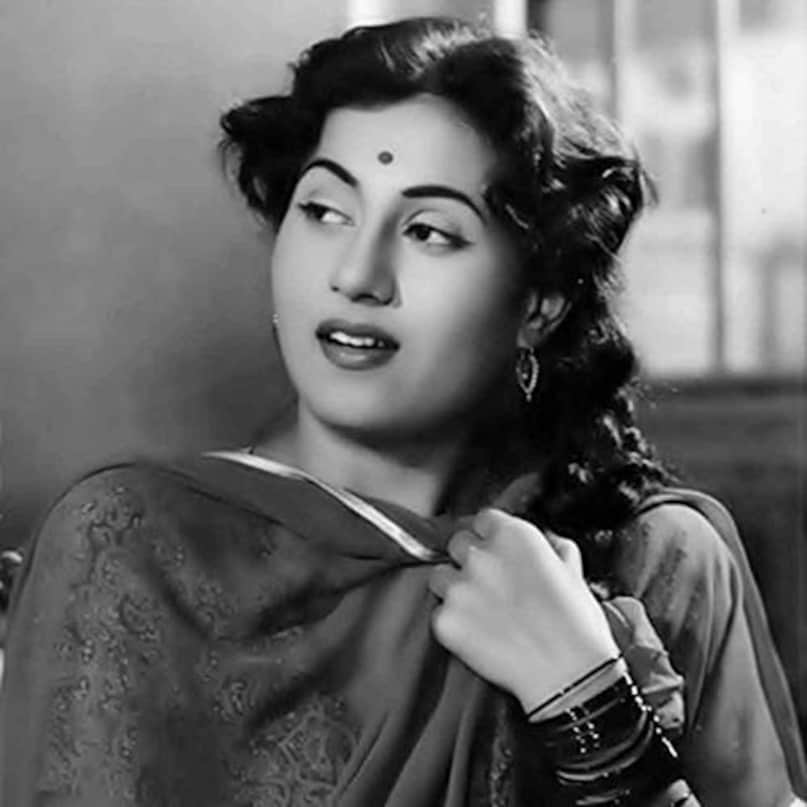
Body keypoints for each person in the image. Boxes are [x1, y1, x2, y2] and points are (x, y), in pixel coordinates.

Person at [0, 15, 804, 807]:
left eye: (428, 231)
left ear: (540, 302)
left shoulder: (653, 560)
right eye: (324, 211)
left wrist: (589, 700)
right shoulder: (135, 549)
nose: (356, 274)